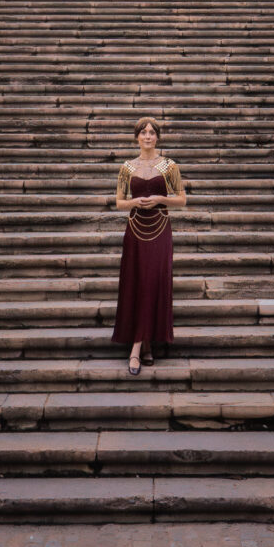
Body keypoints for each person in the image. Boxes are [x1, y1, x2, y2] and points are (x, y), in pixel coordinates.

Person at [113, 117, 186, 375]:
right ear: (136, 137)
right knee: (137, 285)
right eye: (142, 132)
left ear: (157, 137)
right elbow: (119, 202)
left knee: (153, 284)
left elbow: (182, 199)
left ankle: (135, 351)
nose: (147, 136)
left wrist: (159, 199)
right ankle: (143, 347)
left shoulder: (169, 165)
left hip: (160, 230)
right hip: (134, 230)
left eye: (151, 132)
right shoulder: (127, 167)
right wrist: (135, 203)